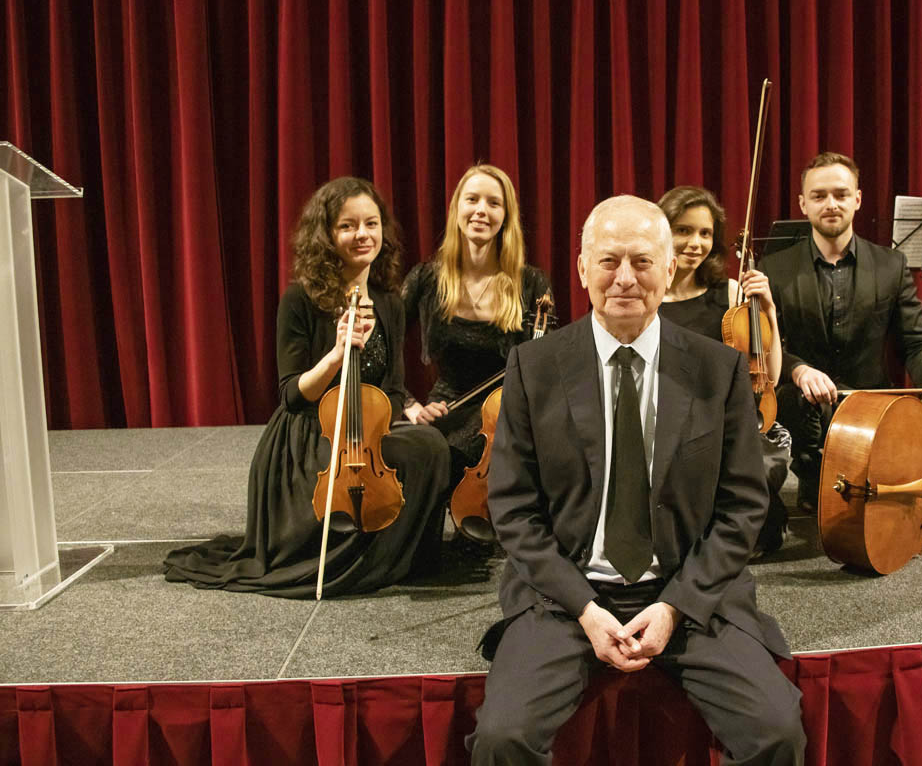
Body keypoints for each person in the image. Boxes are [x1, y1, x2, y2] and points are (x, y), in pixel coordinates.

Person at [467, 196, 805, 765]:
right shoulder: (533, 366)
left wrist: (674, 606)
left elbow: (744, 506)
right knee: (502, 739)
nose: (624, 278)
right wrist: (586, 608)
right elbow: (513, 508)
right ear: (582, 269)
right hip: (566, 595)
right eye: (609, 261)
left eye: (642, 261)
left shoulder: (718, 369)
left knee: (776, 733)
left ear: (669, 269)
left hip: (689, 591)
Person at [164, 177, 451, 598]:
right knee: (408, 452)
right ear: (327, 235)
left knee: (430, 446)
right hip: (308, 435)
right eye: (347, 226)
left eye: (371, 224)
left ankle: (399, 558)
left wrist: (375, 430)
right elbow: (292, 395)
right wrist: (336, 353)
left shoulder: (389, 302)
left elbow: (392, 388)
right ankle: (353, 561)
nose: (362, 235)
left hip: (364, 429)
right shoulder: (300, 299)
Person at [760, 152, 922, 505]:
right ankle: (813, 475)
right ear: (803, 204)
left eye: (841, 194)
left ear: (857, 199)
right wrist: (799, 369)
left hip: (871, 400)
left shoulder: (890, 264)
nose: (831, 204)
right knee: (794, 404)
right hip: (803, 404)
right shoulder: (775, 268)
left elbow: (916, 341)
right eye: (819, 195)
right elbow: (767, 343)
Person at [401, 164, 552, 537]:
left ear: (506, 216)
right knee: (423, 452)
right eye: (472, 200)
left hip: (508, 411)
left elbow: (546, 364)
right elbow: (382, 345)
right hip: (448, 404)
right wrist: (410, 404)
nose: (481, 210)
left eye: (493, 203)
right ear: (457, 209)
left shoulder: (530, 283)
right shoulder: (427, 278)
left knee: (459, 455)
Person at [656, 186, 791, 554]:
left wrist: (769, 310)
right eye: (683, 230)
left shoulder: (731, 293)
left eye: (705, 233)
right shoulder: (646, 297)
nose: (695, 243)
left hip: (722, 421)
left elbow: (769, 376)